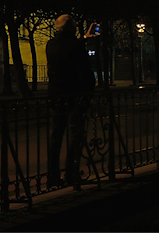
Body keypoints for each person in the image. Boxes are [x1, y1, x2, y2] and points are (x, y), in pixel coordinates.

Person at [46, 15, 96, 190]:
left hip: (56, 97)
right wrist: (90, 92)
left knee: (55, 137)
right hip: (74, 97)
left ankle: (52, 176)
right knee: (75, 135)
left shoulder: (50, 45)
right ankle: (71, 173)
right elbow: (84, 71)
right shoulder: (76, 47)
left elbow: (66, 49)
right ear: (72, 28)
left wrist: (83, 40)